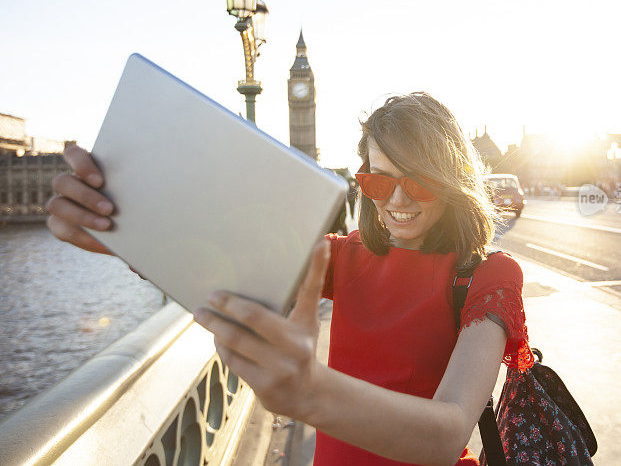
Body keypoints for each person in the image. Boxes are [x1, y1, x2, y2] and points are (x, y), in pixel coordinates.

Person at [45, 92, 530, 466]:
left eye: (419, 182)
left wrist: (310, 392)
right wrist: (123, 223)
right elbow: (216, 254)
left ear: (453, 181)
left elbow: (448, 434)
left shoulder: (490, 276)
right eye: (380, 181)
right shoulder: (342, 259)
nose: (398, 201)